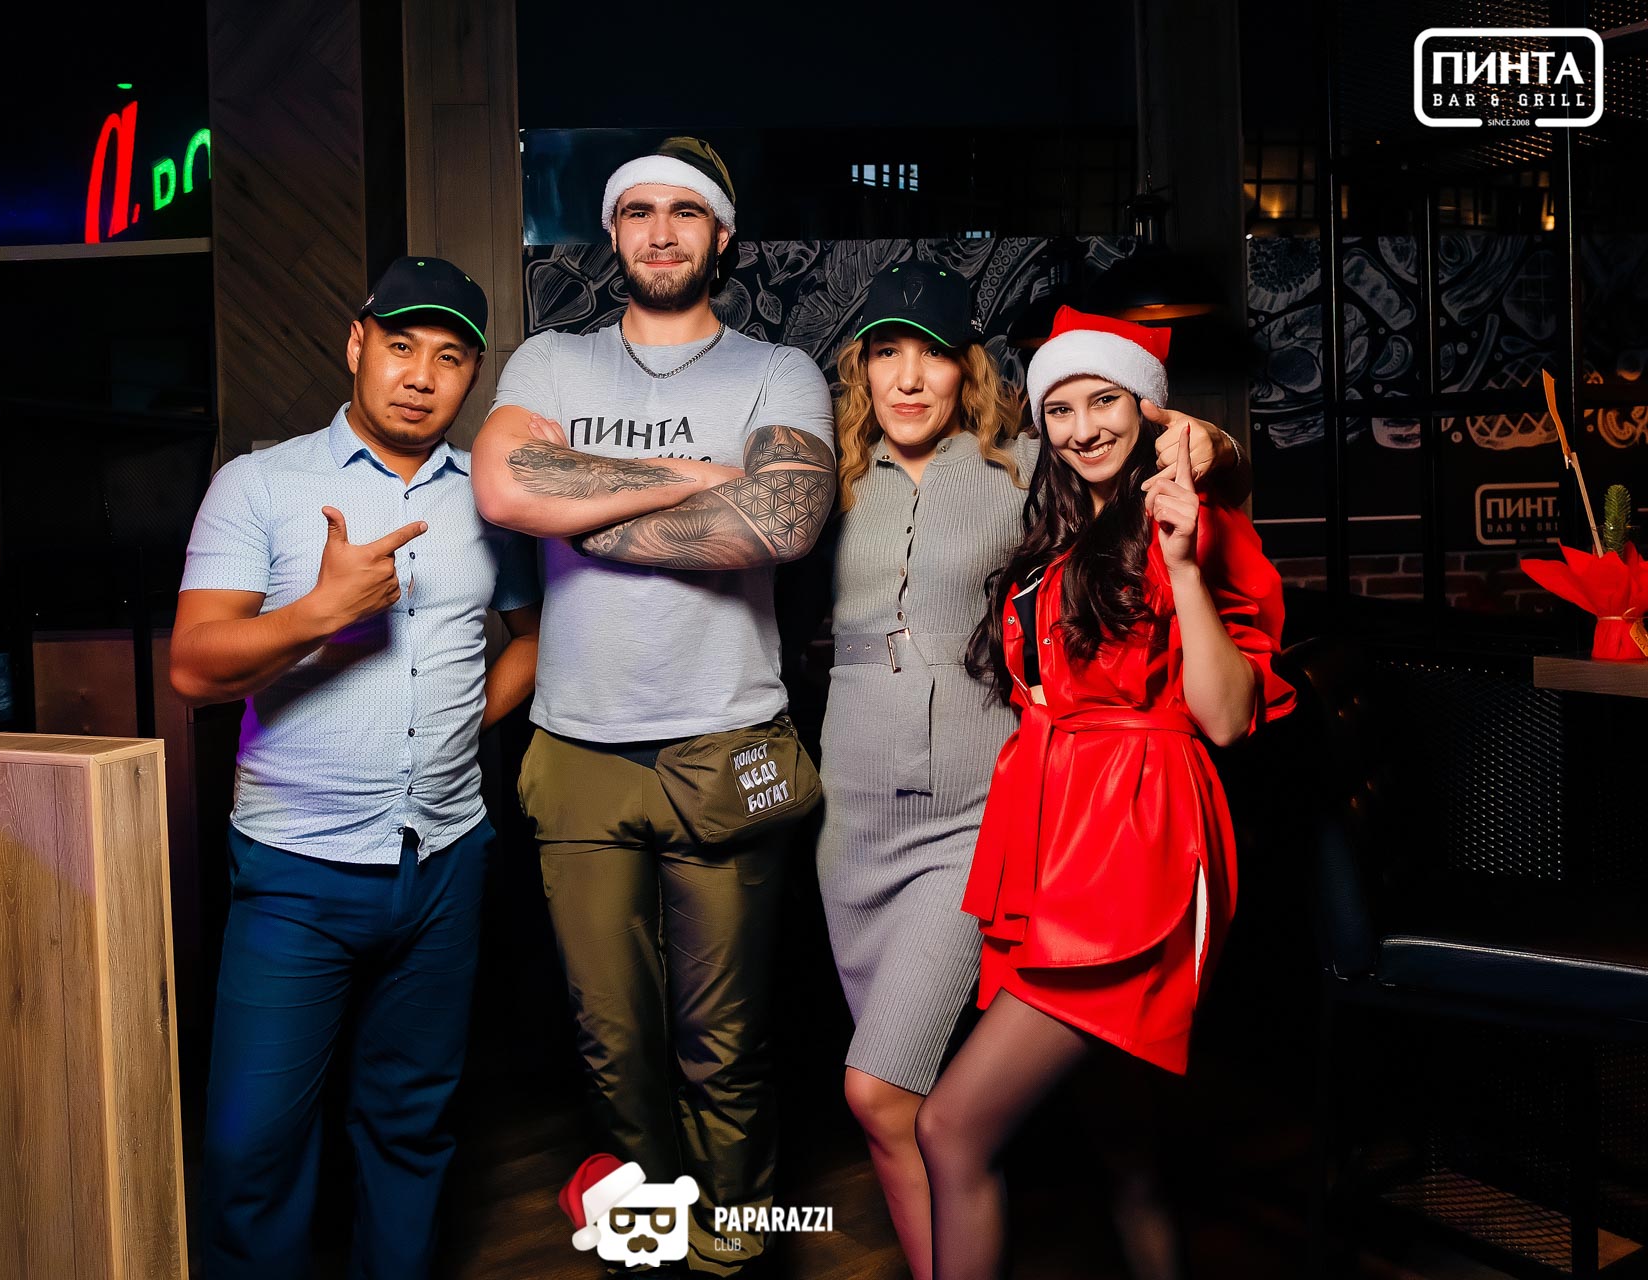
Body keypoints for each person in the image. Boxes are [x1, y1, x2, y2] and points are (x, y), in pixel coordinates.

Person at [814, 274, 1239, 1280]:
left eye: (932, 353)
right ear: (859, 369)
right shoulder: (834, 477)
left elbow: (1172, 471)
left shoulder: (1022, 471)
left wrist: (1208, 446)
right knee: (1107, 1130)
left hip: (1067, 835)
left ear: (969, 371)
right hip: (945, 829)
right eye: (885, 352)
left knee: (905, 1102)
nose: (907, 376)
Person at [472, 136, 836, 1276]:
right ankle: (657, 1228)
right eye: (640, 211)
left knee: (723, 1040)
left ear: (722, 235)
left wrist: (582, 506)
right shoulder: (551, 361)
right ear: (613, 231)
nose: (662, 231)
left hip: (729, 740)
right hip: (577, 747)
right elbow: (503, 486)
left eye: (686, 212)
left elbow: (783, 520)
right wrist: (704, 480)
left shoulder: (779, 370)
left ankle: (737, 1240)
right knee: (611, 1039)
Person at [171, 258, 542, 1280]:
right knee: (250, 1148)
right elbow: (194, 667)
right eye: (401, 346)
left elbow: (532, 636)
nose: (421, 375)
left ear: (473, 376)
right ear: (356, 344)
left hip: (445, 862)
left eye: (450, 357)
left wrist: (464, 721)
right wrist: (319, 614)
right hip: (296, 872)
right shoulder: (261, 483)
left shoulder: (493, 501)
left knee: (411, 1126)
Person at [914, 306, 1295, 1280]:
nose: (1082, 428)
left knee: (951, 1127)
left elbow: (1226, 716)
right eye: (1062, 407)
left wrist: (1185, 559)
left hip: (1134, 838)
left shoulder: (1192, 520)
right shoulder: (1058, 530)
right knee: (1124, 1149)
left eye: (1105, 401)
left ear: (1148, 408)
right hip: (1052, 835)